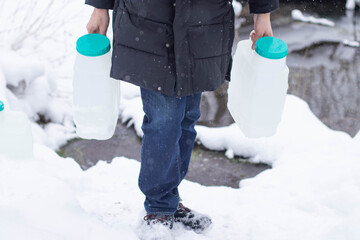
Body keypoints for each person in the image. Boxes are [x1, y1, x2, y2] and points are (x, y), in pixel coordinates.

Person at [85, 0, 278, 232]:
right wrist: (99, 7)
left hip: (204, 23)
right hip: (149, 21)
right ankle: (159, 209)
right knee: (164, 120)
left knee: (187, 117)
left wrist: (263, 14)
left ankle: (169, 201)